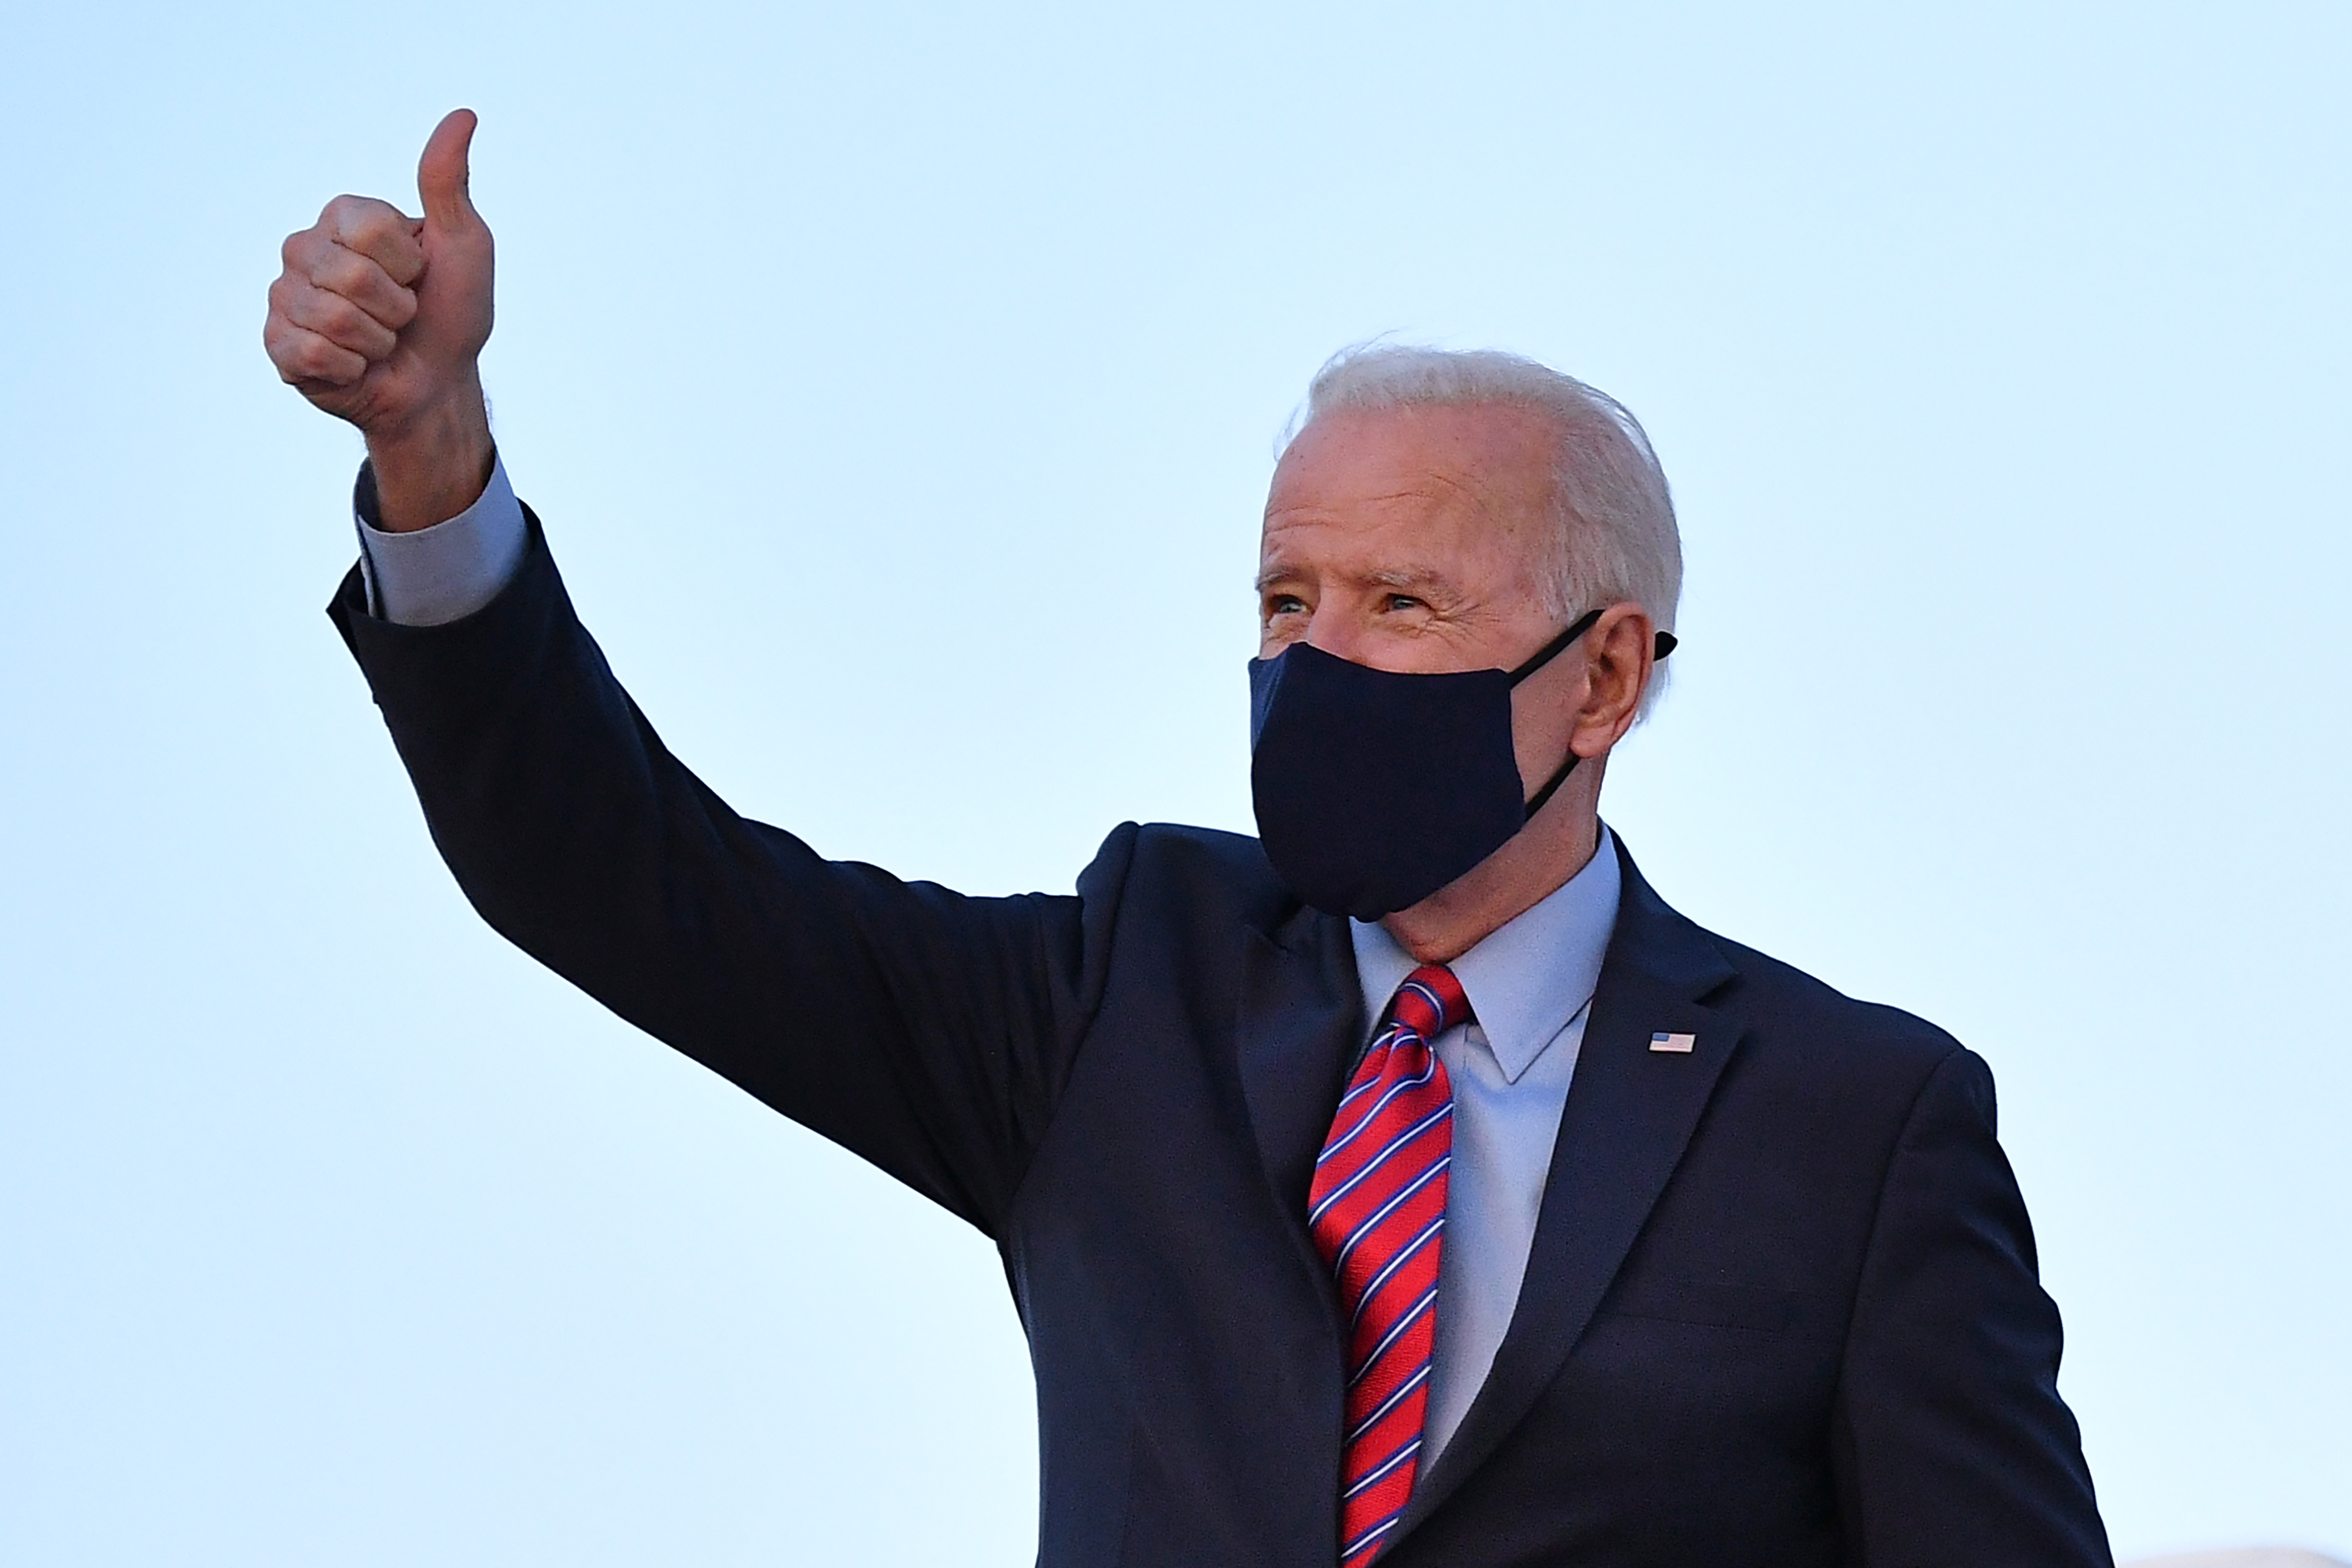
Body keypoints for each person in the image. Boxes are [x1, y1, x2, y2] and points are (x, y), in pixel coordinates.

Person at [265, 110, 2114, 1567]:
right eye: (1283, 599)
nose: (1315, 659)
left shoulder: (1855, 1125)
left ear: (1605, 674)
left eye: (1399, 602)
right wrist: (433, 458)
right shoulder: (1121, 986)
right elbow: (627, 880)